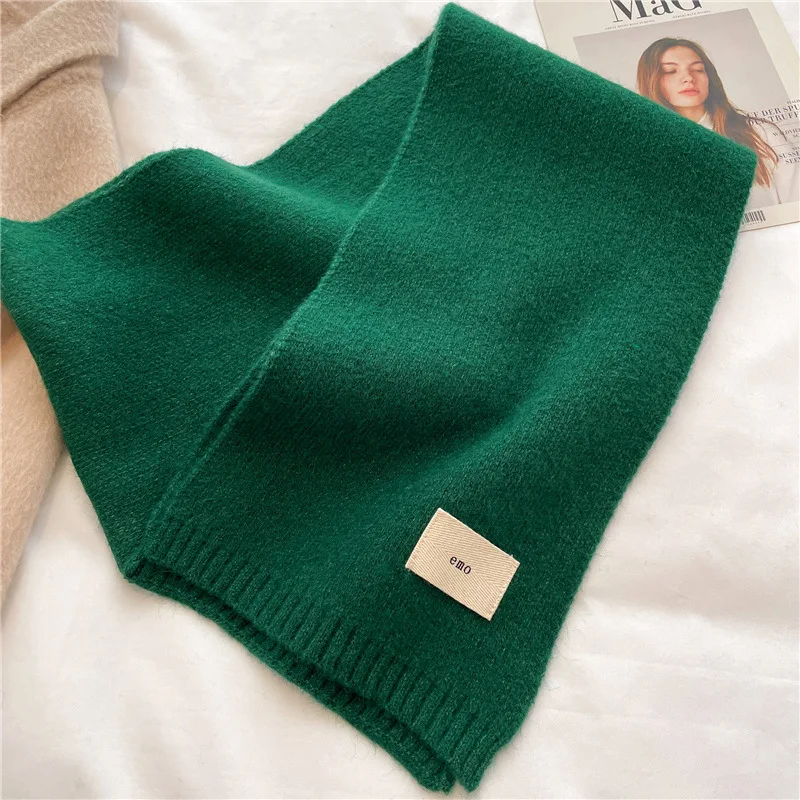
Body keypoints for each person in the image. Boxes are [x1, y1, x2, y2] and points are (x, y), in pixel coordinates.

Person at [636, 37, 798, 210]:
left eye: (698, 69)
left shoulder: (758, 132)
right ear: (651, 80)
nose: (689, 78)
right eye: (670, 71)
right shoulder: (641, 150)